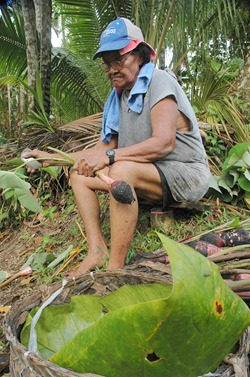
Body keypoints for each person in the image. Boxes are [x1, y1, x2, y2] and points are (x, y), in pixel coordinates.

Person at [25, 17, 210, 277]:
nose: (112, 69)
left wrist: (111, 157)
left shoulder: (159, 82)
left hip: (185, 175)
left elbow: (164, 143)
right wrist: (50, 158)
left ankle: (115, 267)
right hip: (147, 175)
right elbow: (100, 151)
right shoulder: (118, 98)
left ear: (140, 55)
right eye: (107, 63)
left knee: (121, 170)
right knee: (78, 174)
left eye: (119, 60)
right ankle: (97, 250)